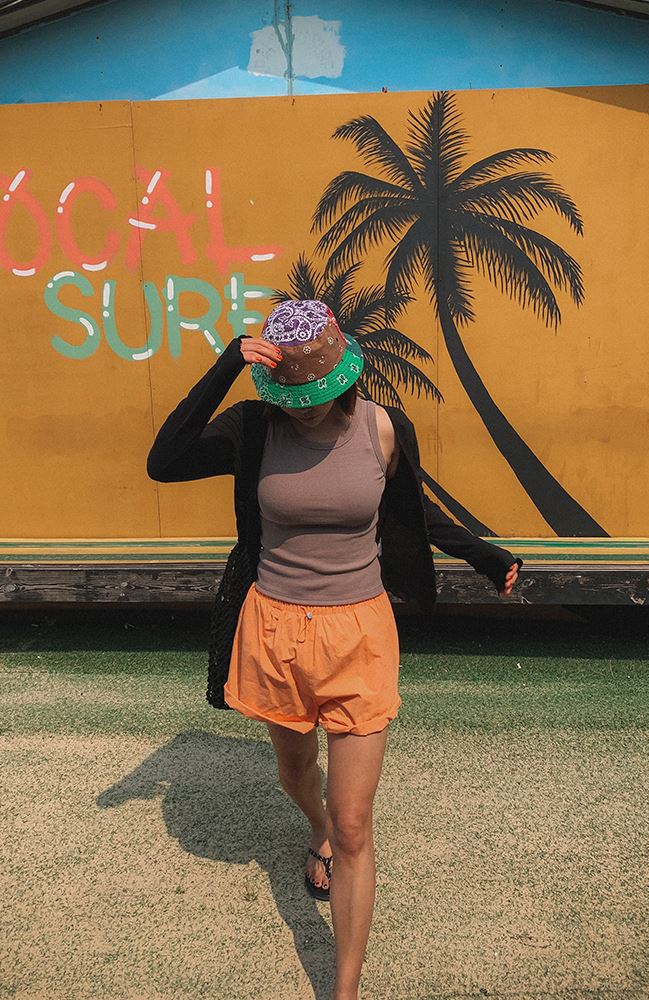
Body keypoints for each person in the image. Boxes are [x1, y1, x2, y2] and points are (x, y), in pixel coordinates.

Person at [146, 299, 522, 1000]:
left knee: (355, 825)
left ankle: (344, 988)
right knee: (296, 775)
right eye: (291, 394)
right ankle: (313, 825)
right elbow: (163, 462)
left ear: (344, 375)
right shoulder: (253, 427)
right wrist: (227, 363)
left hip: (359, 636)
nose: (304, 407)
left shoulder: (382, 427)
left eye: (315, 392)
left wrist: (484, 554)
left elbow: (412, 511)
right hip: (274, 630)